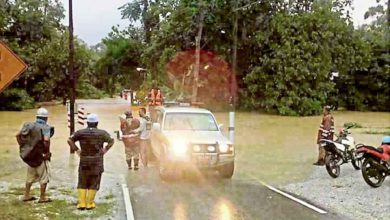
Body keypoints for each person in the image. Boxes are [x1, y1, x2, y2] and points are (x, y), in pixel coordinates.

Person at [67, 113, 114, 210]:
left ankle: (82, 203)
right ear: (97, 123)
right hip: (97, 160)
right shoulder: (102, 133)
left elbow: (69, 140)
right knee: (94, 181)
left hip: (84, 160)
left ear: (87, 122)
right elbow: (111, 141)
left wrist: (77, 150)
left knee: (82, 181)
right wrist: (105, 150)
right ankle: (90, 203)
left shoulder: (80, 132)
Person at [16, 107, 53, 203]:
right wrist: (47, 153)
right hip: (41, 156)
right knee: (44, 177)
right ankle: (42, 197)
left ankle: (26, 195)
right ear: (46, 118)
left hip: (30, 156)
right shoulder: (46, 127)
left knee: (30, 176)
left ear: (37, 116)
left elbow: (17, 135)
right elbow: (46, 140)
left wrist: (22, 146)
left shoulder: (28, 125)